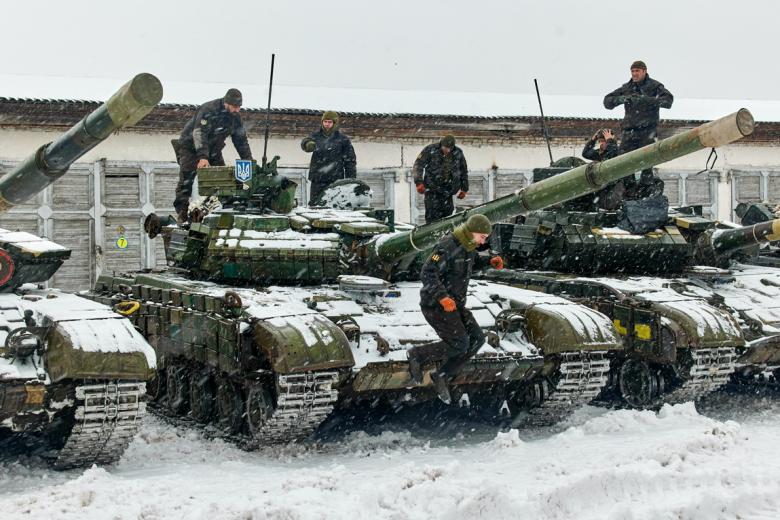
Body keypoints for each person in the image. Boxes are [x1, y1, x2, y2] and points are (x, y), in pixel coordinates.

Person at [407, 214, 504, 404]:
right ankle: (417, 354)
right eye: (482, 236)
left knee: (477, 339)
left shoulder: (468, 246)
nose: (483, 241)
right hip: (436, 305)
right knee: (460, 343)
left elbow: (470, 264)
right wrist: (442, 297)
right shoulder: (447, 246)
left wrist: (489, 262)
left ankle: (443, 374)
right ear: (471, 231)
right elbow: (428, 272)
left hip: (456, 305)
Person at [173, 88, 253, 223]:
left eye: (239, 107)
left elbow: (241, 141)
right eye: (234, 106)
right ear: (226, 103)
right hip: (190, 148)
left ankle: (223, 211)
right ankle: (182, 214)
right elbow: (199, 133)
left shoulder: (235, 118)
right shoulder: (209, 110)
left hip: (214, 150)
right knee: (187, 179)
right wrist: (203, 157)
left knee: (223, 180)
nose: (237, 110)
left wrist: (249, 161)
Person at [604, 60, 673, 198]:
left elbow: (668, 101)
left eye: (637, 71)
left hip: (647, 131)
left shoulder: (655, 86)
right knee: (624, 162)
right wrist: (622, 99)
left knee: (647, 162)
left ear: (644, 71)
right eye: (632, 71)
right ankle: (629, 192)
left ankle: (647, 193)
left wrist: (645, 100)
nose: (634, 74)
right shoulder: (627, 88)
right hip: (629, 132)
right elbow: (607, 102)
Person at [301, 111, 357, 204]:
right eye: (325, 121)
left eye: (330, 122)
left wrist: (350, 180)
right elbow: (305, 141)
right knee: (315, 205)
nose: (327, 124)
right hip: (317, 180)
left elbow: (350, 161)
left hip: (336, 181)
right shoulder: (316, 136)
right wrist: (307, 144)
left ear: (335, 123)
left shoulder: (343, 140)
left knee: (335, 205)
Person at [413, 135, 469, 223]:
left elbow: (463, 171)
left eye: (450, 148)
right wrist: (418, 182)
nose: (447, 150)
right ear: (441, 145)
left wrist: (464, 188)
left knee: (447, 220)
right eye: (445, 148)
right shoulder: (430, 150)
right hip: (432, 191)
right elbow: (418, 165)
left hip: (448, 193)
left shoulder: (458, 153)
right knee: (432, 220)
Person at [580, 128, 623, 210]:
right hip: (602, 184)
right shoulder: (599, 153)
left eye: (604, 141)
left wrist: (610, 140)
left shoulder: (617, 150)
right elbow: (585, 153)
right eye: (600, 141)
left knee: (611, 205)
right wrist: (593, 140)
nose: (602, 143)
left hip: (614, 184)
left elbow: (611, 155)